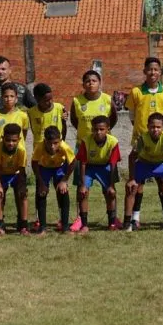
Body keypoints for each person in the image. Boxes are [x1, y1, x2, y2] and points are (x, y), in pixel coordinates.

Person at [125, 57, 163, 229]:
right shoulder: (136, 92)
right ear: (144, 71)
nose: (153, 72)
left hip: (159, 141)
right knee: (138, 182)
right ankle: (135, 218)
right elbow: (132, 115)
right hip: (141, 141)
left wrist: (158, 132)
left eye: (156, 69)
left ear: (160, 72)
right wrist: (142, 133)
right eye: (150, 69)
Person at [70, 70, 118, 231]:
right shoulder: (77, 101)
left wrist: (103, 135)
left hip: (104, 147)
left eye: (94, 80)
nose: (91, 83)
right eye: (87, 81)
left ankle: (113, 217)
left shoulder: (107, 99)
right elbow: (74, 120)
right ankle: (79, 218)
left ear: (99, 83)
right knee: (82, 185)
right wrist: (87, 137)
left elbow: (113, 118)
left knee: (109, 186)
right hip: (84, 146)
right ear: (83, 84)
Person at [75, 115, 121, 231]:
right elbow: (83, 163)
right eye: (95, 129)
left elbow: (113, 164)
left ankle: (112, 222)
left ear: (108, 129)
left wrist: (111, 185)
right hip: (89, 167)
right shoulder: (86, 141)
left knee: (110, 193)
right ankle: (84, 224)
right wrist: (83, 185)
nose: (98, 132)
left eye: (101, 129)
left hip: (105, 166)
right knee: (83, 193)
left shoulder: (113, 142)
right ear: (92, 130)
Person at [31, 126, 76, 235]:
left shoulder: (64, 147)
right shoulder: (39, 147)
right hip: (44, 168)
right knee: (41, 193)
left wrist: (64, 180)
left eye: (55, 143)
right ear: (45, 141)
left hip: (59, 168)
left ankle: (65, 227)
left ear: (60, 141)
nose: (52, 146)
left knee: (63, 192)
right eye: (49, 143)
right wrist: (41, 183)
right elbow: (34, 163)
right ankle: (42, 227)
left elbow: (73, 162)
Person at [0, 122, 29, 236]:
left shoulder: (21, 150)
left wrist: (22, 186)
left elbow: (22, 170)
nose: (11, 143)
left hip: (16, 175)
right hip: (2, 175)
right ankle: (0, 226)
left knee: (23, 195)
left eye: (14, 141)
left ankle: (24, 226)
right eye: (8, 140)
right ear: (3, 138)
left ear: (19, 139)